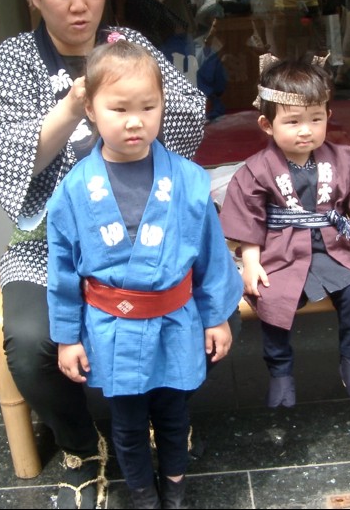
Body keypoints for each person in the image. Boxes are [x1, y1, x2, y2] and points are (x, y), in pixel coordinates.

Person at [0, 0, 207, 510]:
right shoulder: (11, 63)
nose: (79, 5)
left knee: (192, 307)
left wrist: (132, 111)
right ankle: (83, 441)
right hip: (52, 242)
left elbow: (186, 118)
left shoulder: (131, 47)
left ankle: (162, 421)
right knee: (28, 342)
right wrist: (74, 105)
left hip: (144, 233)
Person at [47, 37, 242, 510]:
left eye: (148, 107)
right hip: (113, 328)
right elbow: (62, 269)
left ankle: (174, 488)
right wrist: (67, 337)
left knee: (175, 415)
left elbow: (212, 258)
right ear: (90, 109)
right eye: (119, 108)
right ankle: (141, 494)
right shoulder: (74, 189)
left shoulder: (190, 180)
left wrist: (215, 317)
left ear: (162, 107)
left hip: (176, 323)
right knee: (128, 423)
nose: (135, 121)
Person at [219, 56, 350, 407]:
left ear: (328, 116)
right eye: (293, 121)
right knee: (271, 299)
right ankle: (281, 372)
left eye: (316, 119)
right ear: (267, 125)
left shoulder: (342, 160)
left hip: (334, 249)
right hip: (282, 253)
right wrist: (251, 262)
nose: (306, 130)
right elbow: (250, 222)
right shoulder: (256, 170)